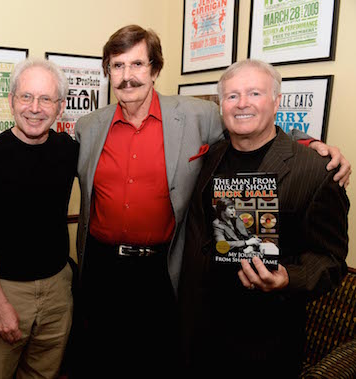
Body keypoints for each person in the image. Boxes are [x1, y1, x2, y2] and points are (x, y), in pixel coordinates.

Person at [74, 24, 351, 376]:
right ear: (107, 72)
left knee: (157, 360)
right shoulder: (88, 127)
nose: (128, 76)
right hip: (102, 267)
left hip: (162, 268)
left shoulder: (197, 115)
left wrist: (310, 143)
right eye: (117, 66)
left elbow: (252, 128)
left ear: (156, 69)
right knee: (100, 357)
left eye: (138, 65)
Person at [179, 59, 349, 378]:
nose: (242, 103)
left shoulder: (315, 171)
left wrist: (288, 278)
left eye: (254, 93)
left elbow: (331, 260)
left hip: (264, 340)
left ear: (277, 101)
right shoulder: (211, 156)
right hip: (201, 329)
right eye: (232, 96)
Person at [0, 58, 78, 379]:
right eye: (26, 97)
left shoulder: (68, 150)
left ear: (60, 107)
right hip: (4, 288)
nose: (35, 108)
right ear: (12, 100)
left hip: (58, 288)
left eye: (46, 99)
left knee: (45, 372)